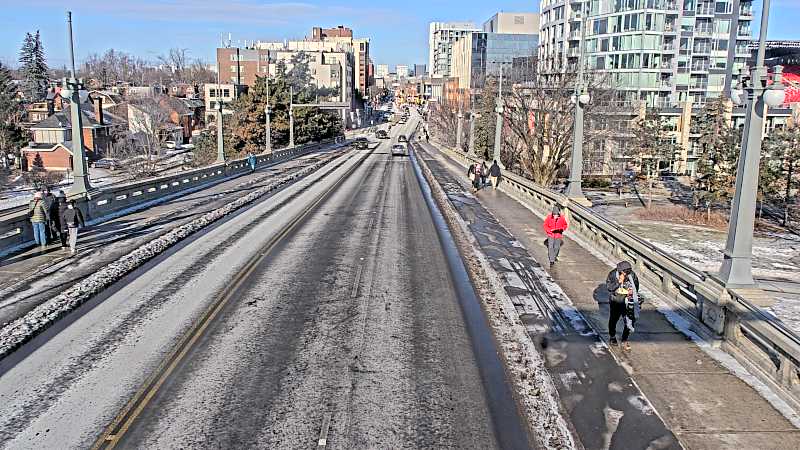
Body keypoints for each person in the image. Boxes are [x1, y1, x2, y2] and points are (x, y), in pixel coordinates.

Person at [606, 261, 641, 351]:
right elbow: (610, 288)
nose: (626, 274)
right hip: (616, 301)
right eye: (624, 272)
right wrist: (619, 282)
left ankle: (624, 339)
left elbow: (636, 286)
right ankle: (612, 336)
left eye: (627, 272)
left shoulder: (632, 275)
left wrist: (632, 291)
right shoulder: (612, 274)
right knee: (613, 319)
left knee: (629, 321)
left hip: (627, 301)